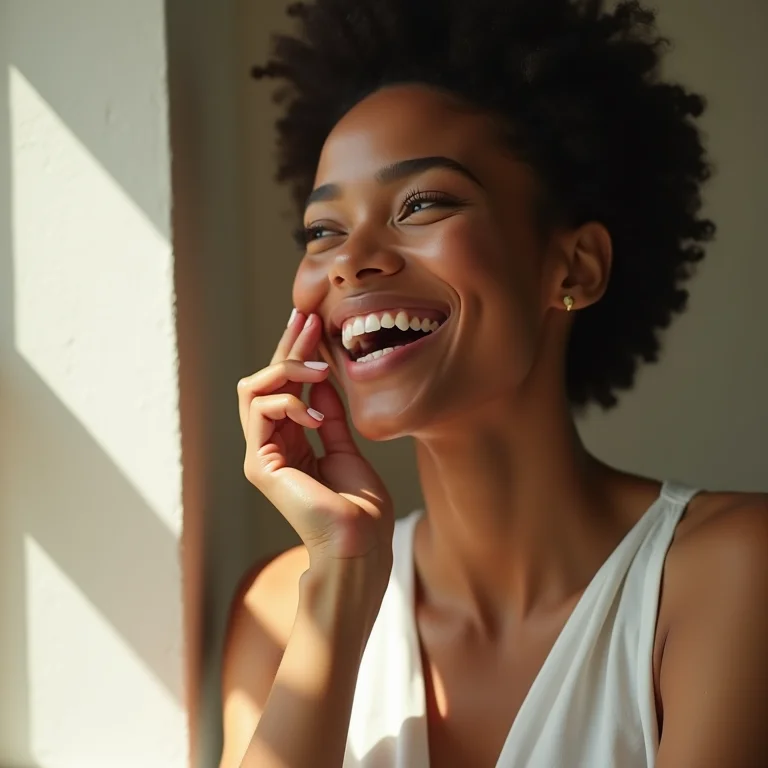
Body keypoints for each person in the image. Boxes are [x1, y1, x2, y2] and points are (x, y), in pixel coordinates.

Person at [219, 1, 768, 766]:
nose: (350, 260)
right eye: (323, 231)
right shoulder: (282, 608)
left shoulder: (732, 572)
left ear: (573, 267)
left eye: (422, 203)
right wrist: (342, 581)